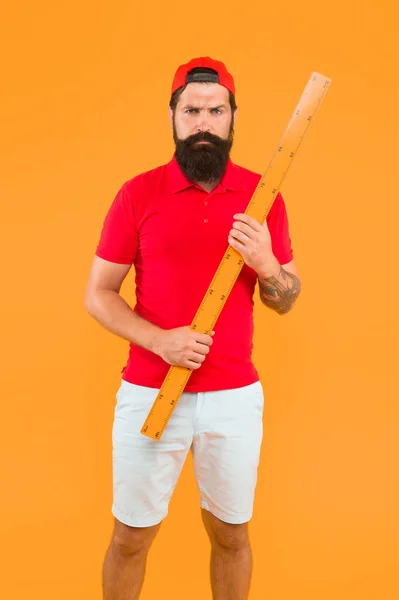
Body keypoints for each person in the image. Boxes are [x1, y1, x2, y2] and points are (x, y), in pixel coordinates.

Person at [84, 56, 301, 600]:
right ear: (173, 117)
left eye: (215, 110)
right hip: (149, 393)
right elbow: (97, 295)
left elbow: (287, 300)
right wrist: (159, 340)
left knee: (231, 535)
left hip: (233, 398)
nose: (203, 121)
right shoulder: (137, 194)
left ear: (232, 118)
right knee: (131, 537)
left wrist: (269, 266)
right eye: (192, 111)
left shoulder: (263, 196)